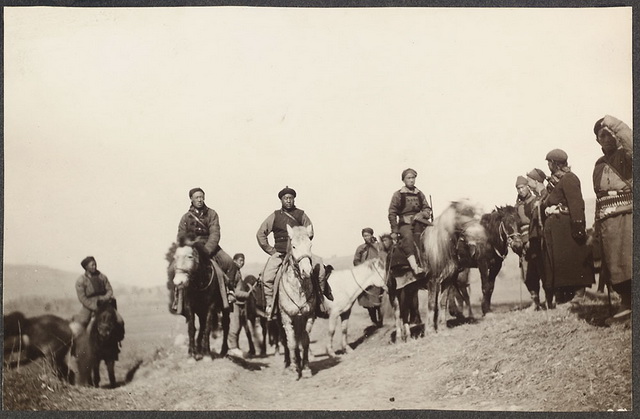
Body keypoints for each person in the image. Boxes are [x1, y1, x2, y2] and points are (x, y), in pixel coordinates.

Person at [257, 186, 332, 319]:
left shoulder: (301, 214)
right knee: (267, 276)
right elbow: (261, 234)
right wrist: (271, 250)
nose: (288, 201)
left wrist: (302, 245)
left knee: (320, 270)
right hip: (280, 253)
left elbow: (311, 232)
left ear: (294, 199)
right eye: (285, 198)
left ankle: (320, 302)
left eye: (290, 198)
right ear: (281, 200)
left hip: (300, 253)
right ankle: (270, 306)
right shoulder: (274, 216)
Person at [540, 149, 595, 307]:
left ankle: (579, 294)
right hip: (558, 229)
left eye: (549, 162)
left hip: (567, 227)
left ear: (555, 163)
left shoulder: (569, 179)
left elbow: (576, 204)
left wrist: (578, 228)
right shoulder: (555, 181)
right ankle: (566, 296)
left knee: (574, 259)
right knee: (562, 262)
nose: (548, 165)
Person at [592, 115, 632, 321]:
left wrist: (613, 123)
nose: (606, 139)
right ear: (598, 140)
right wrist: (597, 225)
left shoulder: (627, 155)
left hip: (628, 216)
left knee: (629, 260)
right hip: (607, 221)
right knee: (614, 265)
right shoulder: (599, 164)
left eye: (609, 134)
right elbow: (599, 197)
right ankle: (625, 301)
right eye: (601, 136)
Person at [176, 187, 237, 304]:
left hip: (210, 247)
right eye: (196, 197)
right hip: (192, 249)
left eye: (201, 197)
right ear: (191, 199)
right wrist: (189, 248)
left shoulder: (212, 214)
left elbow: (215, 233)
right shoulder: (185, 217)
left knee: (229, 262)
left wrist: (207, 250)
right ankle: (178, 299)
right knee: (176, 267)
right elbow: (181, 236)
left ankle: (230, 291)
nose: (199, 200)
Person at [388, 168, 432, 275]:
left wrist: (422, 214)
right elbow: (392, 213)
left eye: (413, 178)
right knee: (408, 237)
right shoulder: (398, 195)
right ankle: (415, 266)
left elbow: (427, 209)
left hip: (420, 222)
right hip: (405, 224)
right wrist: (395, 230)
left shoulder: (419, 194)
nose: (411, 180)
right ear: (403, 180)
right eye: (408, 178)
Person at [514, 176, 547, 310]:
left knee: (542, 270)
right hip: (523, 243)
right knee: (527, 274)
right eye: (518, 188)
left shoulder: (535, 201)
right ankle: (535, 302)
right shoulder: (517, 206)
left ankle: (550, 299)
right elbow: (516, 225)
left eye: (522, 187)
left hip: (535, 240)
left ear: (528, 187)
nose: (520, 190)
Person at [72, 256, 124, 340]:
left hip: (105, 304)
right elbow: (82, 298)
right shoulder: (81, 280)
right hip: (89, 306)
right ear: (86, 267)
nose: (94, 267)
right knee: (81, 323)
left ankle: (117, 342)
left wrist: (105, 299)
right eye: (92, 265)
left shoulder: (102, 277)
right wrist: (94, 306)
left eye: (95, 264)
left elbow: (110, 290)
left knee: (119, 320)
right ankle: (76, 347)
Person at [353, 227, 384, 327]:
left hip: (378, 274)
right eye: (364, 236)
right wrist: (363, 266)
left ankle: (381, 319)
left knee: (380, 297)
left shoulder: (378, 246)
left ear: (371, 235)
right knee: (368, 300)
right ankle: (374, 321)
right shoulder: (361, 248)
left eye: (367, 235)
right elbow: (356, 261)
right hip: (366, 276)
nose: (366, 237)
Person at [227, 253, 253, 359]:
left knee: (237, 326)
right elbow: (234, 290)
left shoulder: (237, 271)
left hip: (239, 303)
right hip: (234, 303)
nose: (242, 263)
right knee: (235, 326)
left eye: (243, 260)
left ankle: (234, 348)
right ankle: (232, 349)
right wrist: (247, 294)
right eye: (240, 260)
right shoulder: (233, 270)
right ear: (234, 260)